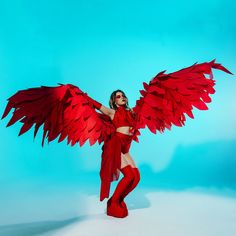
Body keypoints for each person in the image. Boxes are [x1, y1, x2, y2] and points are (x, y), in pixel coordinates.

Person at [87, 89, 141, 218]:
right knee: (128, 176)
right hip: (116, 144)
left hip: (125, 146)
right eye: (118, 96)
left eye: (123, 96)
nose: (122, 97)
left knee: (136, 177)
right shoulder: (112, 112)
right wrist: (82, 95)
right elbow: (96, 104)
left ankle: (120, 199)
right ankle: (113, 202)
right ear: (115, 102)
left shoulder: (132, 112)